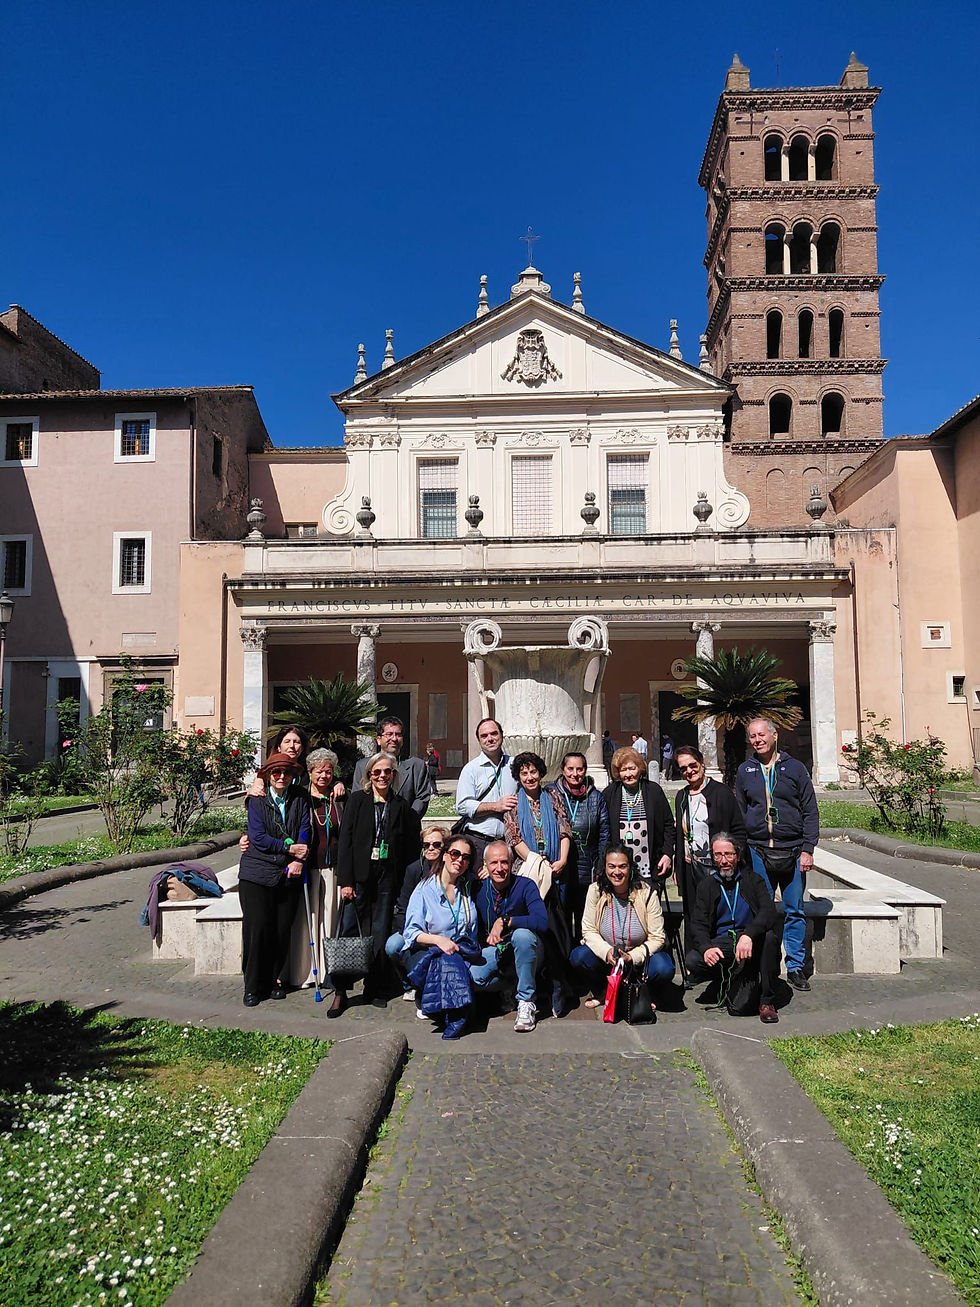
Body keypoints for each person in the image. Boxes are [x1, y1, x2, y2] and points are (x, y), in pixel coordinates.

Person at [331, 750, 422, 1016]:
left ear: (394, 775)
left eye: (387, 772)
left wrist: (405, 884)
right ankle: (341, 990)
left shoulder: (400, 805)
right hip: (358, 878)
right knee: (349, 931)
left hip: (386, 879)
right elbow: (345, 842)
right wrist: (345, 881)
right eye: (377, 772)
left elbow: (409, 847)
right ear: (369, 775)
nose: (382, 776)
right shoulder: (358, 801)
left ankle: (376, 986)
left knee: (381, 933)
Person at [735, 717, 819, 992]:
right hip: (759, 850)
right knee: (762, 910)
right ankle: (765, 965)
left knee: (795, 910)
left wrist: (807, 849)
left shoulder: (794, 769)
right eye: (752, 736)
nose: (757, 740)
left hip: (792, 851)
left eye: (761, 734)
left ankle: (795, 966)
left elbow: (810, 810)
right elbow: (741, 811)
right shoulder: (745, 770)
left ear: (774, 736)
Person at [237, 751, 310, 1007]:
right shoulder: (257, 799)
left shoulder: (300, 797)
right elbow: (257, 837)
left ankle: (275, 979)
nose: (281, 777)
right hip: (257, 874)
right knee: (258, 930)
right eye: (276, 773)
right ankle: (253, 984)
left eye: (286, 773)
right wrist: (290, 849)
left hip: (287, 874)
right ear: (267, 775)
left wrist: (298, 859)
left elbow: (304, 828)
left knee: (281, 930)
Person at [504, 750, 574, 1017]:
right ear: (518, 777)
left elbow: (564, 828)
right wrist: (537, 861)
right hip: (528, 875)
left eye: (533, 772)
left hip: (555, 871)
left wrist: (563, 859)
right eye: (524, 773)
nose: (530, 777)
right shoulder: (513, 803)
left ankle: (558, 985)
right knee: (531, 930)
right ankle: (527, 990)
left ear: (540, 773)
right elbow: (514, 838)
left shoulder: (553, 796)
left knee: (556, 931)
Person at [685, 832, 782, 1024]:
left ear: (737, 855)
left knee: (740, 1009)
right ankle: (724, 982)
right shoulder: (707, 885)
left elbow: (768, 911)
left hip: (749, 942)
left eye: (728, 854)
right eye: (718, 855)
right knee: (693, 959)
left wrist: (749, 935)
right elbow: (698, 924)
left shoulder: (753, 881)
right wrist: (706, 948)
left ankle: (766, 1001)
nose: (723, 860)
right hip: (723, 944)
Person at [570, 842, 675, 1010]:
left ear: (630, 868)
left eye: (622, 866)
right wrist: (606, 953)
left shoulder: (647, 893)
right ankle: (603, 991)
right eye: (611, 866)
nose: (616, 872)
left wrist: (633, 956)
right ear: (604, 868)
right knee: (579, 956)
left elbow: (658, 937)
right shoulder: (595, 891)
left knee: (664, 968)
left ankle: (645, 992)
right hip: (609, 958)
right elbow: (588, 930)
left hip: (639, 958)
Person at [402, 834, 480, 1039]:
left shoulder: (468, 887)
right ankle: (454, 1016)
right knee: (448, 962)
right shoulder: (424, 890)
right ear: (444, 855)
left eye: (466, 857)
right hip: (431, 951)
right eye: (455, 853)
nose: (459, 860)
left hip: (463, 949)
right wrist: (439, 940)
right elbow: (411, 933)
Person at [471, 840, 548, 1032]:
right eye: (494, 863)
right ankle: (510, 985)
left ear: (512, 863)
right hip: (496, 950)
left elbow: (542, 921)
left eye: (504, 862)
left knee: (522, 936)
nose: (499, 868)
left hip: (528, 949)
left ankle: (526, 1000)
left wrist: (507, 921)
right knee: (474, 977)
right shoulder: (478, 889)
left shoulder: (525, 885)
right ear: (485, 865)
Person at [673, 744, 746, 938]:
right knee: (693, 915)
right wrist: (677, 867)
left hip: (717, 867)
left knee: (717, 913)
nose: (689, 771)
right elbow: (680, 835)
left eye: (693, 765)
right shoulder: (681, 796)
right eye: (683, 768)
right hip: (691, 868)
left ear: (702, 764)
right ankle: (695, 960)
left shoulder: (721, 793)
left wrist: (733, 859)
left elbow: (738, 829)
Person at [290, 747, 346, 989]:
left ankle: (328, 972)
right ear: (310, 772)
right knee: (308, 920)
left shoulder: (340, 798)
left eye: (329, 771)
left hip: (332, 868)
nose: (324, 775)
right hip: (309, 868)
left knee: (329, 919)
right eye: (319, 771)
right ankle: (306, 973)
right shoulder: (300, 798)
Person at [545, 751, 610, 942]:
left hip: (587, 871)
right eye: (570, 769)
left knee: (586, 924)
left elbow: (604, 835)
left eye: (579, 769)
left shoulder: (596, 798)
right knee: (561, 924)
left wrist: (600, 867)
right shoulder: (550, 794)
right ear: (563, 770)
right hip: (559, 870)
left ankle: (583, 968)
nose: (575, 774)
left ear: (585, 770)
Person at [385, 824, 451, 995]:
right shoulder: (414, 870)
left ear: (445, 846)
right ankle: (409, 982)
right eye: (426, 845)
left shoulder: (452, 868)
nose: (431, 848)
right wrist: (412, 932)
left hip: (442, 928)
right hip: (415, 928)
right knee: (392, 946)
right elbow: (402, 906)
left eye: (436, 844)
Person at [603, 746, 675, 885]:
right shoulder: (610, 793)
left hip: (650, 865)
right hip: (620, 870)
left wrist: (667, 854)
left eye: (632, 768)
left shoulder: (654, 791)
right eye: (623, 770)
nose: (628, 774)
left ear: (640, 768)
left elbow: (668, 825)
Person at [454, 717, 519, 868]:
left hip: (508, 840)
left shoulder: (514, 765)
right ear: (479, 740)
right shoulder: (471, 769)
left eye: (493, 734)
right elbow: (462, 806)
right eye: (484, 736)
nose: (490, 739)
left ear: (501, 735)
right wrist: (496, 806)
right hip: (479, 841)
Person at [353, 715, 432, 817]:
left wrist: (406, 820)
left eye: (398, 734)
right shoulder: (363, 766)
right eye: (389, 734)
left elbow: (422, 798)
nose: (394, 738)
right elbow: (357, 798)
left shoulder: (416, 766)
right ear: (378, 739)